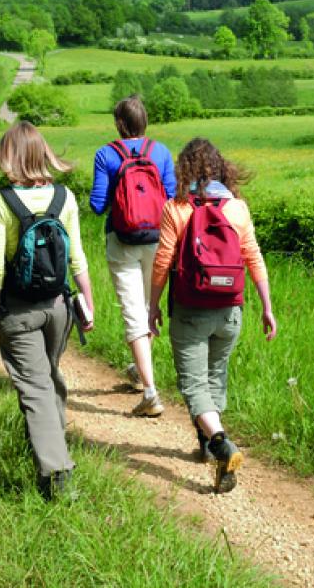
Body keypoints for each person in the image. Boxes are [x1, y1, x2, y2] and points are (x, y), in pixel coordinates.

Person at [148, 138, 277, 493]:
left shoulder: (177, 207)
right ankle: (205, 445)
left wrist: (153, 306)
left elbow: (162, 263)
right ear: (221, 167)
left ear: (184, 169)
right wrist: (267, 307)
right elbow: (253, 257)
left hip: (191, 310)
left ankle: (220, 443)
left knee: (193, 385)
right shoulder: (237, 208)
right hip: (229, 310)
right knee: (214, 376)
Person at [0, 121, 94, 500]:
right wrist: (87, 300)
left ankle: (58, 472)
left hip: (19, 310)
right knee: (47, 377)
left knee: (35, 386)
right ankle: (50, 444)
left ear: (11, 157)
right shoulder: (64, 197)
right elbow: (77, 257)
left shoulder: (1, 201)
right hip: (59, 307)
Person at [89, 95, 176, 417]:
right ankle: (141, 373)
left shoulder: (105, 154)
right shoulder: (161, 151)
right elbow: (170, 195)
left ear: (119, 124)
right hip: (157, 240)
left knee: (132, 312)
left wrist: (120, 201)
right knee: (148, 308)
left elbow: (97, 205)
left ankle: (151, 392)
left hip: (121, 240)